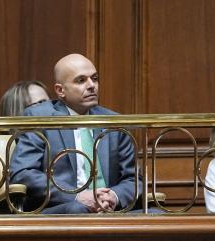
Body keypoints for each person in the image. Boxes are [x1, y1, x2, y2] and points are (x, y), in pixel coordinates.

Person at [9, 54, 137, 214]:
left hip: (109, 209)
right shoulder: (39, 118)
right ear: (60, 90)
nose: (92, 85)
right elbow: (23, 174)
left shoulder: (114, 122)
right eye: (81, 80)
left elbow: (134, 179)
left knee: (157, 215)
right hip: (62, 207)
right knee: (79, 209)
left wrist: (113, 196)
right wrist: (77, 196)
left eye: (95, 78)